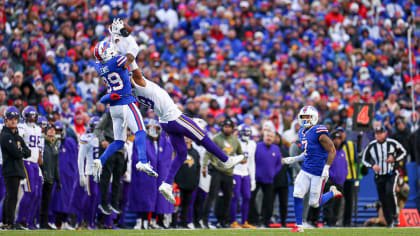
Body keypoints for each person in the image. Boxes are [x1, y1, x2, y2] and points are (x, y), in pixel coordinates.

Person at [92, 40, 156, 179]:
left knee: (119, 141)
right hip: (126, 103)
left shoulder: (99, 67)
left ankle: (100, 160)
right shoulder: (116, 61)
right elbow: (131, 55)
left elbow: (99, 61)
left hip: (114, 108)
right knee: (140, 131)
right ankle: (143, 162)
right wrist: (124, 39)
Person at [283, 106, 342, 232]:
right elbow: (307, 153)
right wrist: (294, 159)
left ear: (313, 117)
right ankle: (299, 226)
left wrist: (326, 168)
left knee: (314, 203)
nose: (305, 119)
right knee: (297, 194)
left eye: (307, 117)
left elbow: (332, 150)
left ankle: (332, 192)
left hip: (318, 172)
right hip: (305, 169)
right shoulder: (302, 132)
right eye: (303, 117)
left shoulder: (318, 131)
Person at [362, 125, 407, 226]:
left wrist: (394, 159)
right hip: (379, 176)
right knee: (382, 199)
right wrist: (372, 165)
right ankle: (389, 221)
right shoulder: (371, 146)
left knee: (390, 192)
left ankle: (395, 216)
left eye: (380, 133)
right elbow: (364, 159)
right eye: (376, 133)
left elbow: (403, 152)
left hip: (391, 173)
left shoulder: (392, 143)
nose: (378, 135)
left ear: (385, 133)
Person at [201, 119, 243, 228]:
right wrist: (204, 166)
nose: (227, 128)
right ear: (222, 127)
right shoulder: (216, 138)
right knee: (211, 195)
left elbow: (241, 154)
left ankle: (224, 221)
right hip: (217, 170)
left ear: (232, 128)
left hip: (229, 172)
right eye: (225, 126)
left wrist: (240, 159)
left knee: (228, 198)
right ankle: (204, 220)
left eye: (229, 127)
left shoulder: (235, 140)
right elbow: (207, 152)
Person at [307, 131, 348, 227]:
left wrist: (344, 176)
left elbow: (345, 167)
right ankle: (325, 221)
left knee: (337, 204)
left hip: (340, 183)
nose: (337, 141)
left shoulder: (342, 152)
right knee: (328, 203)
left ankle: (333, 221)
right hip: (329, 181)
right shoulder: (326, 151)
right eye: (335, 139)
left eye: (339, 139)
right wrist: (331, 176)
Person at [1, 106, 31, 230]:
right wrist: (21, 151)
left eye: (15, 119)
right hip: (10, 169)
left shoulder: (16, 136)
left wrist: (21, 151)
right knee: (10, 196)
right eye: (11, 119)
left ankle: (9, 221)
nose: (13, 121)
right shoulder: (5, 135)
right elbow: (17, 153)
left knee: (13, 196)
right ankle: (8, 222)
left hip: (17, 168)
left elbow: (28, 152)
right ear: (6, 120)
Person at [15, 106, 43, 229]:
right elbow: (17, 141)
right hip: (26, 162)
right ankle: (20, 220)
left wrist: (40, 156)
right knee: (29, 192)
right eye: (30, 115)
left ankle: (29, 221)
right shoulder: (22, 127)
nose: (32, 118)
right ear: (25, 116)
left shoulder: (37, 128)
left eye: (33, 115)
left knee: (36, 194)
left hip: (35, 164)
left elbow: (38, 147)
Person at [93, 110, 126, 215]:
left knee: (117, 179)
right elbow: (97, 129)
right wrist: (102, 140)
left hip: (120, 148)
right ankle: (104, 203)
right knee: (106, 178)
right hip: (110, 145)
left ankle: (114, 203)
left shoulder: (127, 114)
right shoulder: (109, 113)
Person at [248, 130, 282, 227]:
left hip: (269, 179)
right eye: (267, 136)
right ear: (263, 136)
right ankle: (253, 219)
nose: (269, 138)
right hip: (256, 179)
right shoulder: (256, 146)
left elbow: (279, 164)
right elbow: (251, 160)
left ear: (273, 138)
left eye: (271, 136)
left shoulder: (276, 148)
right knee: (250, 198)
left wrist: (273, 173)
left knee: (268, 202)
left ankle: (265, 221)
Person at [230, 125, 256, 229]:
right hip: (236, 172)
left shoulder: (253, 144)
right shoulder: (235, 142)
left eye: (248, 132)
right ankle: (233, 222)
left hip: (246, 173)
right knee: (235, 197)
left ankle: (244, 221)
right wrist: (230, 174)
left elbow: (252, 162)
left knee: (247, 197)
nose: (246, 134)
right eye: (244, 132)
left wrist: (252, 179)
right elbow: (230, 159)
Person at [77, 116, 101, 229]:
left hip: (101, 173)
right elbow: (81, 157)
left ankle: (91, 221)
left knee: (97, 198)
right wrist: (81, 174)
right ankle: (83, 220)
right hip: (91, 172)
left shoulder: (104, 138)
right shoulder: (86, 137)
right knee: (91, 196)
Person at [174, 137, 201, 228]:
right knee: (176, 204)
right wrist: (175, 180)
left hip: (190, 183)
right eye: (184, 137)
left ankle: (183, 222)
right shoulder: (178, 150)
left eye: (188, 137)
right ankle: (173, 223)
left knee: (186, 204)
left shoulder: (195, 153)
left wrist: (196, 181)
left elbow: (198, 168)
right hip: (179, 182)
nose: (186, 139)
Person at [336, 126, 358, 227]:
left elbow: (357, 161)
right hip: (338, 178)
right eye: (338, 133)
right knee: (337, 201)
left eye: (342, 133)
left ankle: (347, 221)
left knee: (349, 201)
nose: (340, 135)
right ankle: (334, 221)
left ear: (345, 134)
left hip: (350, 178)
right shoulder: (334, 146)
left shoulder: (351, 145)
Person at [39, 124, 60, 230]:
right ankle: (33, 221)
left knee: (47, 202)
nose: (52, 131)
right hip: (42, 175)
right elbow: (40, 160)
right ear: (45, 132)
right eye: (50, 130)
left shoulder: (55, 145)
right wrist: (43, 172)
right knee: (39, 200)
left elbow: (56, 165)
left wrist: (58, 179)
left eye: (53, 130)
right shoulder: (42, 143)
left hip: (51, 176)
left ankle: (44, 223)